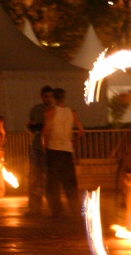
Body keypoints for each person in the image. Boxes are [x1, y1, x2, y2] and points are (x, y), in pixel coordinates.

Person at [42, 88, 85, 217]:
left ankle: (56, 210)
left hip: (53, 149)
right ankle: (75, 209)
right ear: (64, 98)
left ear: (54, 98)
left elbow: (46, 131)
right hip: (67, 150)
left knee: (53, 183)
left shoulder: (51, 112)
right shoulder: (72, 112)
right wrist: (74, 141)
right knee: (70, 182)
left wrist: (45, 145)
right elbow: (81, 131)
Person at [26, 86, 53, 216]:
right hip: (37, 147)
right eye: (46, 96)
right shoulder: (36, 110)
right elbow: (30, 125)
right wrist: (34, 128)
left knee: (50, 179)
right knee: (35, 178)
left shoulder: (55, 110)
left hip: (51, 147)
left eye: (50, 96)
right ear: (42, 97)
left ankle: (54, 208)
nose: (48, 99)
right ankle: (35, 208)